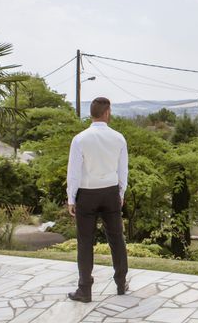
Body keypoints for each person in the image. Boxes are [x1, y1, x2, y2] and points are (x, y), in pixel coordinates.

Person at [66, 97, 129, 303]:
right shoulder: (119, 138)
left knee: (85, 242)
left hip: (87, 193)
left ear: (91, 113)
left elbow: (73, 172)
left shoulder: (80, 139)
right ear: (107, 113)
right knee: (116, 239)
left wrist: (71, 198)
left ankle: (84, 289)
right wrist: (121, 194)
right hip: (110, 192)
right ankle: (121, 283)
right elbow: (123, 170)